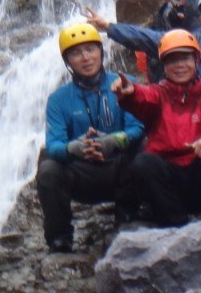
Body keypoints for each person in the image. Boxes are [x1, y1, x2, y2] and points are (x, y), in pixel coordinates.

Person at [37, 22, 145, 253]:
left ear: (101, 52)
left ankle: (127, 217)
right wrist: (74, 148)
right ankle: (60, 238)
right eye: (76, 53)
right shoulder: (58, 99)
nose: (86, 58)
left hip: (119, 168)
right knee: (48, 169)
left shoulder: (124, 83)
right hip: (82, 173)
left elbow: (137, 127)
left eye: (90, 49)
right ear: (68, 61)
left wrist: (114, 141)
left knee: (144, 150)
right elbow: (53, 145)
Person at [113, 30, 201, 226]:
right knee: (143, 163)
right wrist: (131, 92)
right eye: (172, 60)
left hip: (200, 173)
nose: (179, 65)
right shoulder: (158, 93)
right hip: (168, 181)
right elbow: (143, 97)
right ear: (164, 66)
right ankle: (175, 220)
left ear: (196, 60)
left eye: (185, 58)